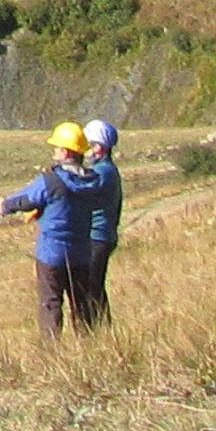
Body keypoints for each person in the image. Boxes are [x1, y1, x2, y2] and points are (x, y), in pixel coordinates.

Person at [0, 121, 106, 341]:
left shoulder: (52, 181)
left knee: (51, 303)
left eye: (57, 148)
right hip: (82, 253)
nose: (54, 151)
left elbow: (27, 200)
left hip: (52, 254)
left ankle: (52, 353)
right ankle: (91, 347)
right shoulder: (93, 182)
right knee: (82, 303)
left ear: (65, 152)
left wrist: (4, 206)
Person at [76, 118, 122, 325]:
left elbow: (79, 190)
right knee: (95, 287)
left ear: (99, 147)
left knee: (90, 288)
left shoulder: (102, 172)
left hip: (97, 237)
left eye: (89, 145)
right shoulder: (106, 169)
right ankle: (102, 330)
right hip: (103, 237)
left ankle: (95, 330)